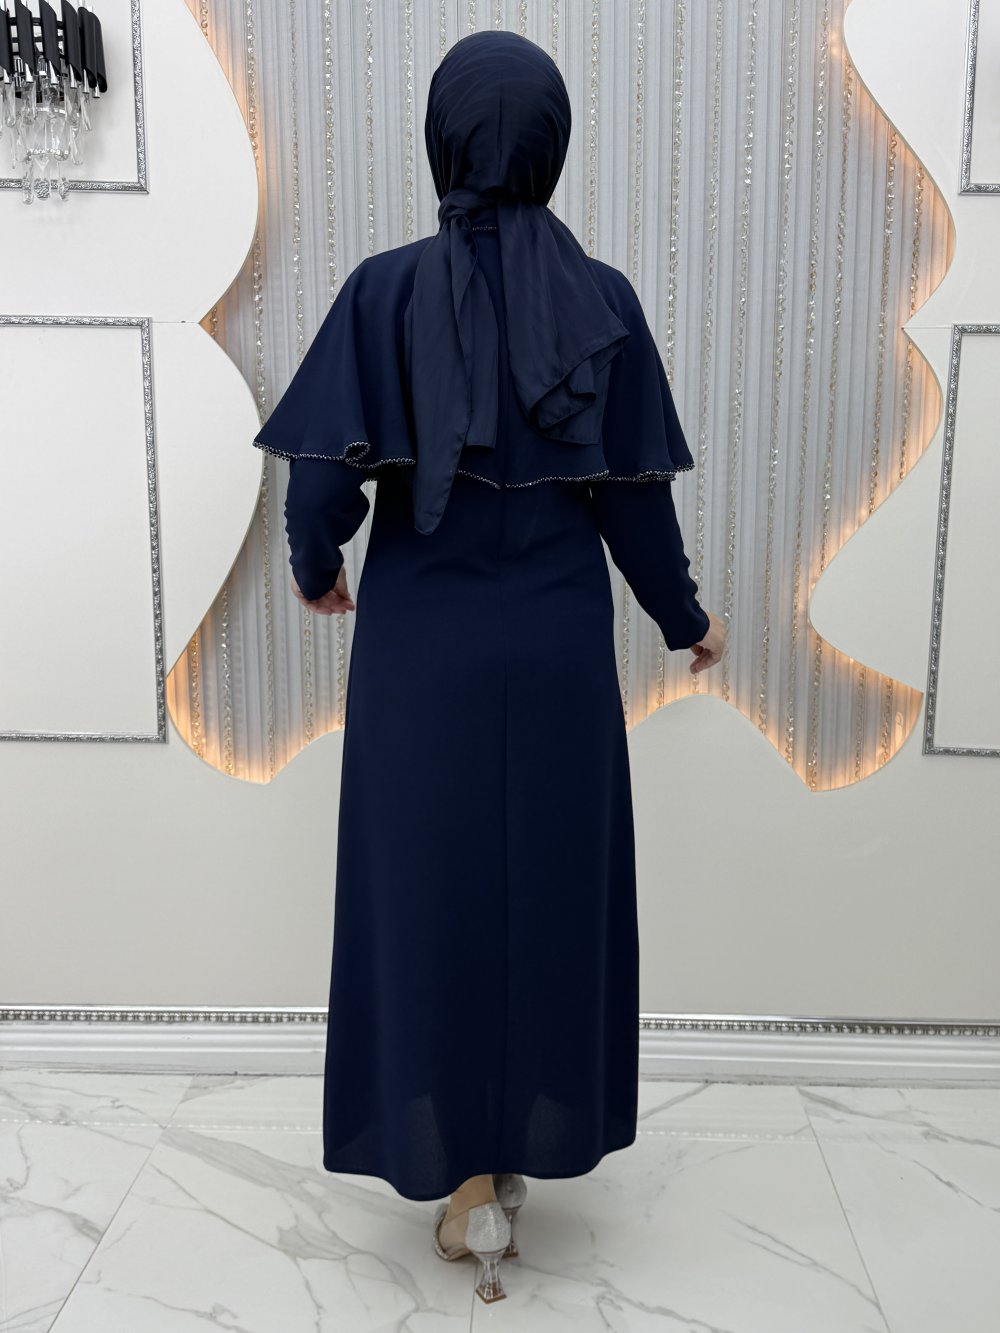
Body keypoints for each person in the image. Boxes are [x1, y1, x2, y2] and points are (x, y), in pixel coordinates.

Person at [253, 29, 725, 1305]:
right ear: (552, 144)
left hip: (422, 655)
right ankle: (509, 1149)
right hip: (558, 650)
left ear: (442, 138)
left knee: (427, 899)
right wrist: (685, 618)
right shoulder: (602, 301)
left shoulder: (382, 290)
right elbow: (633, 501)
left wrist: (316, 568)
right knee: (546, 893)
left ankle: (458, 1175)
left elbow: (320, 483)